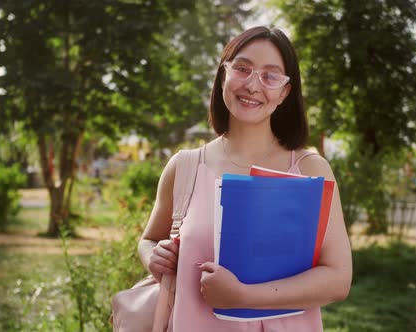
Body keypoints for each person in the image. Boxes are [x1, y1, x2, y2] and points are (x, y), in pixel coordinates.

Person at [138, 26, 353, 331]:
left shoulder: (310, 170)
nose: (253, 85)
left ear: (285, 92)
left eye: (270, 75)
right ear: (223, 75)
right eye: (242, 69)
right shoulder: (184, 166)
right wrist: (153, 257)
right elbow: (148, 240)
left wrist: (243, 295)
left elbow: (338, 279)